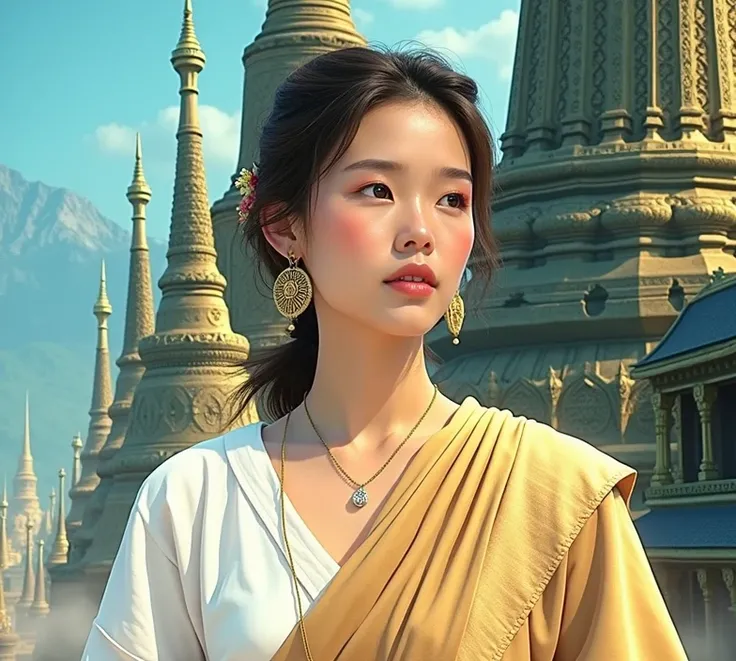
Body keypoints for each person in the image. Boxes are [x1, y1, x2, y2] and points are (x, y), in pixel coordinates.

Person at [81, 47, 687, 660]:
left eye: (452, 199)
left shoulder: (555, 495)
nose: (420, 229)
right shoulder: (194, 498)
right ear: (285, 226)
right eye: (377, 189)